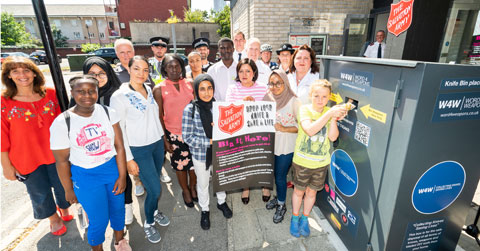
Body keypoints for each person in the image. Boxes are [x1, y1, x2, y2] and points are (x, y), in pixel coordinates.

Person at [50, 75, 131, 251]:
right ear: (72, 93)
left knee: (118, 209)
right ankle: (97, 248)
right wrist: (68, 189)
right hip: (85, 175)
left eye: (91, 91)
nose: (87, 95)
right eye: (81, 91)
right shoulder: (63, 122)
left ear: (97, 91)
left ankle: (120, 241)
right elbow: (62, 161)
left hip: (111, 169)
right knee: (98, 219)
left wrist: (122, 176)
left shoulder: (109, 112)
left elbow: (119, 147)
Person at [1, 56, 72, 237]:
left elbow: (65, 123)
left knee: (63, 185)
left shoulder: (51, 93)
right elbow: (2, 135)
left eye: (26, 70)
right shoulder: (4, 102)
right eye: (15, 71)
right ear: (8, 76)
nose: (22, 75)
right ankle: (53, 218)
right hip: (25, 158)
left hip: (55, 154)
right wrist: (6, 165)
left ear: (34, 73)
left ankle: (64, 208)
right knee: (39, 192)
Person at [110, 56, 171, 244]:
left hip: (156, 145)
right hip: (139, 149)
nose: (141, 74)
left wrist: (163, 140)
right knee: (154, 188)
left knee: (153, 188)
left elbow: (154, 117)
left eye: (145, 70)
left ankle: (153, 210)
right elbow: (117, 131)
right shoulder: (119, 96)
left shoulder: (149, 89)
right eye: (137, 69)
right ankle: (148, 223)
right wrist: (128, 159)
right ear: (128, 69)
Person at [70, 56, 136, 225]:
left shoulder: (117, 93)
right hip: (91, 155)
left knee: (122, 179)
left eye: (101, 73)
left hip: (117, 148)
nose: (97, 78)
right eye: (92, 74)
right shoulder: (78, 99)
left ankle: (127, 206)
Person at [289, 80, 347, 238]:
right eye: (316, 96)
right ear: (310, 95)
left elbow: (333, 137)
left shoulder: (329, 112)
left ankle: (304, 218)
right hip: (302, 162)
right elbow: (309, 130)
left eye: (324, 96)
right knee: (299, 191)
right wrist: (329, 114)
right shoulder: (304, 110)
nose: (320, 99)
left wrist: (333, 119)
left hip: (321, 163)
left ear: (329, 97)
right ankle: (295, 218)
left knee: (311, 193)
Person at [113, 39, 170, 193]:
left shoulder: (146, 82)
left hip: (153, 138)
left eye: (128, 51)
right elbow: (119, 128)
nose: (125, 55)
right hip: (136, 142)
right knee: (149, 183)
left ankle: (155, 175)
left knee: (153, 176)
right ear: (117, 54)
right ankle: (139, 182)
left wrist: (162, 137)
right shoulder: (115, 77)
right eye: (122, 52)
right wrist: (127, 158)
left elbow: (152, 104)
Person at [182, 74, 233, 230]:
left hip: (219, 153)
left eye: (209, 88)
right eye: (202, 89)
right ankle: (205, 210)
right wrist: (210, 141)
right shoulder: (190, 109)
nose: (206, 92)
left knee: (221, 180)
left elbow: (228, 128)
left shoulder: (219, 107)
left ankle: (221, 202)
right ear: (196, 90)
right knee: (203, 184)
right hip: (200, 156)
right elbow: (188, 138)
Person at [153, 54, 198, 209]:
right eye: (170, 66)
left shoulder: (191, 83)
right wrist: (165, 139)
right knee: (180, 165)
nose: (174, 69)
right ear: (164, 68)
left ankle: (193, 187)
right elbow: (159, 115)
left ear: (181, 67)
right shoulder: (159, 89)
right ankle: (185, 190)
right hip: (174, 135)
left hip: (194, 132)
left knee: (194, 165)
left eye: (177, 66)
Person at [225, 58, 269, 204]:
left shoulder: (263, 87)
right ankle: (246, 188)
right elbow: (228, 110)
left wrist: (254, 104)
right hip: (240, 132)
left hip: (260, 132)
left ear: (254, 72)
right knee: (244, 161)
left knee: (262, 160)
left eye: (248, 71)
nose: (244, 74)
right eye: (241, 71)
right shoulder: (232, 88)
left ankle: (265, 186)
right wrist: (242, 103)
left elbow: (269, 109)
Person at [263, 70, 300, 224]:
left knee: (280, 176)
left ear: (285, 82)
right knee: (274, 175)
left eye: (278, 82)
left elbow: (302, 127)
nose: (275, 86)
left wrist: (284, 128)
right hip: (270, 143)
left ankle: (281, 205)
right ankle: (279, 197)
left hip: (286, 145)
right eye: (271, 83)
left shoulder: (294, 101)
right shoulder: (267, 97)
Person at [207, 37, 237, 102]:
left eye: (228, 47)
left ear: (233, 49)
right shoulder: (212, 70)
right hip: (218, 107)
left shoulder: (240, 69)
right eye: (222, 48)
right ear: (218, 50)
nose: (226, 50)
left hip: (238, 107)